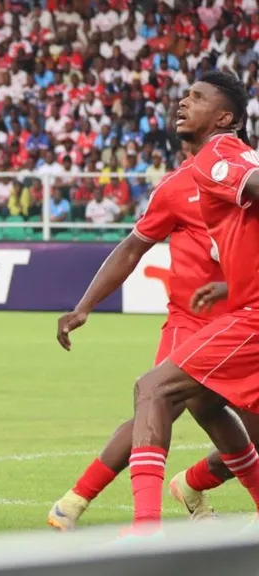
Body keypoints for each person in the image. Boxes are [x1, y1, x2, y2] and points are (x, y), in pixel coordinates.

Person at [48, 140, 235, 530]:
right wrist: (84, 306)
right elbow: (132, 248)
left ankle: (192, 483)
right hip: (192, 322)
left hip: (243, 324)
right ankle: (78, 501)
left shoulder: (246, 181)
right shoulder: (176, 187)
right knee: (159, 403)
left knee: (242, 427)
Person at [121, 71, 259, 536]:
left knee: (154, 389)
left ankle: (146, 532)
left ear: (225, 118)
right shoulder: (240, 154)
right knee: (214, 406)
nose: (183, 102)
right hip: (244, 305)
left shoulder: (217, 154)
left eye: (197, 97)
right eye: (185, 95)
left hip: (254, 318)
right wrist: (229, 286)